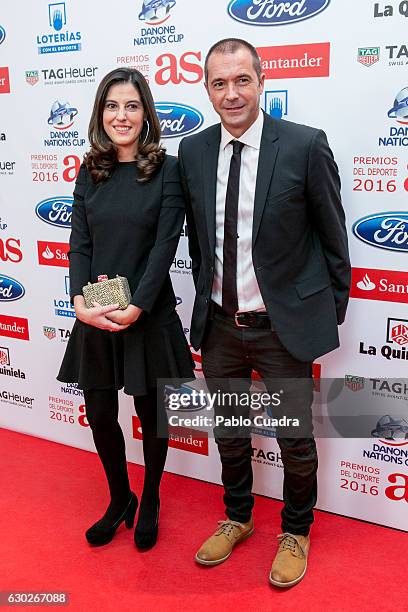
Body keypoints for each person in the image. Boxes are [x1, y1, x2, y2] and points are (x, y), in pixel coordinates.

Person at [178, 39, 351, 587]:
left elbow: (332, 238)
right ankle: (238, 517)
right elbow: (200, 244)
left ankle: (296, 531)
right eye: (219, 83)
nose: (231, 93)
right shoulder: (194, 151)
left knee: (294, 439)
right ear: (207, 88)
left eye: (241, 81)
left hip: (282, 329)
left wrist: (322, 314)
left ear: (260, 81)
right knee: (230, 431)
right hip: (221, 326)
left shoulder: (303, 145)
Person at [58, 68, 194, 550]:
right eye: (112, 106)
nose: (122, 115)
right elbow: (80, 242)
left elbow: (164, 246)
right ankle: (121, 498)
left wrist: (136, 305)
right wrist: (80, 302)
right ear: (101, 113)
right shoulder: (89, 169)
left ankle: (151, 496)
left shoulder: (167, 169)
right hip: (96, 309)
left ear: (146, 114)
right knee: (98, 410)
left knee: (150, 411)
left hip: (147, 313)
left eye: (132, 106)